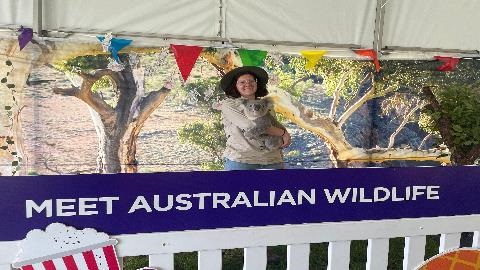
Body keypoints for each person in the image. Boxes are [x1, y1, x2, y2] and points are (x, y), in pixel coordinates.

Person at [216, 66, 291, 170]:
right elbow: (251, 126)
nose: (248, 84)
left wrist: (282, 134)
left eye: (251, 81)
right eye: (242, 82)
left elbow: (274, 124)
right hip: (242, 161)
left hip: (273, 160)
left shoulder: (265, 104)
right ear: (235, 86)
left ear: (257, 83)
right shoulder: (229, 104)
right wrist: (283, 133)